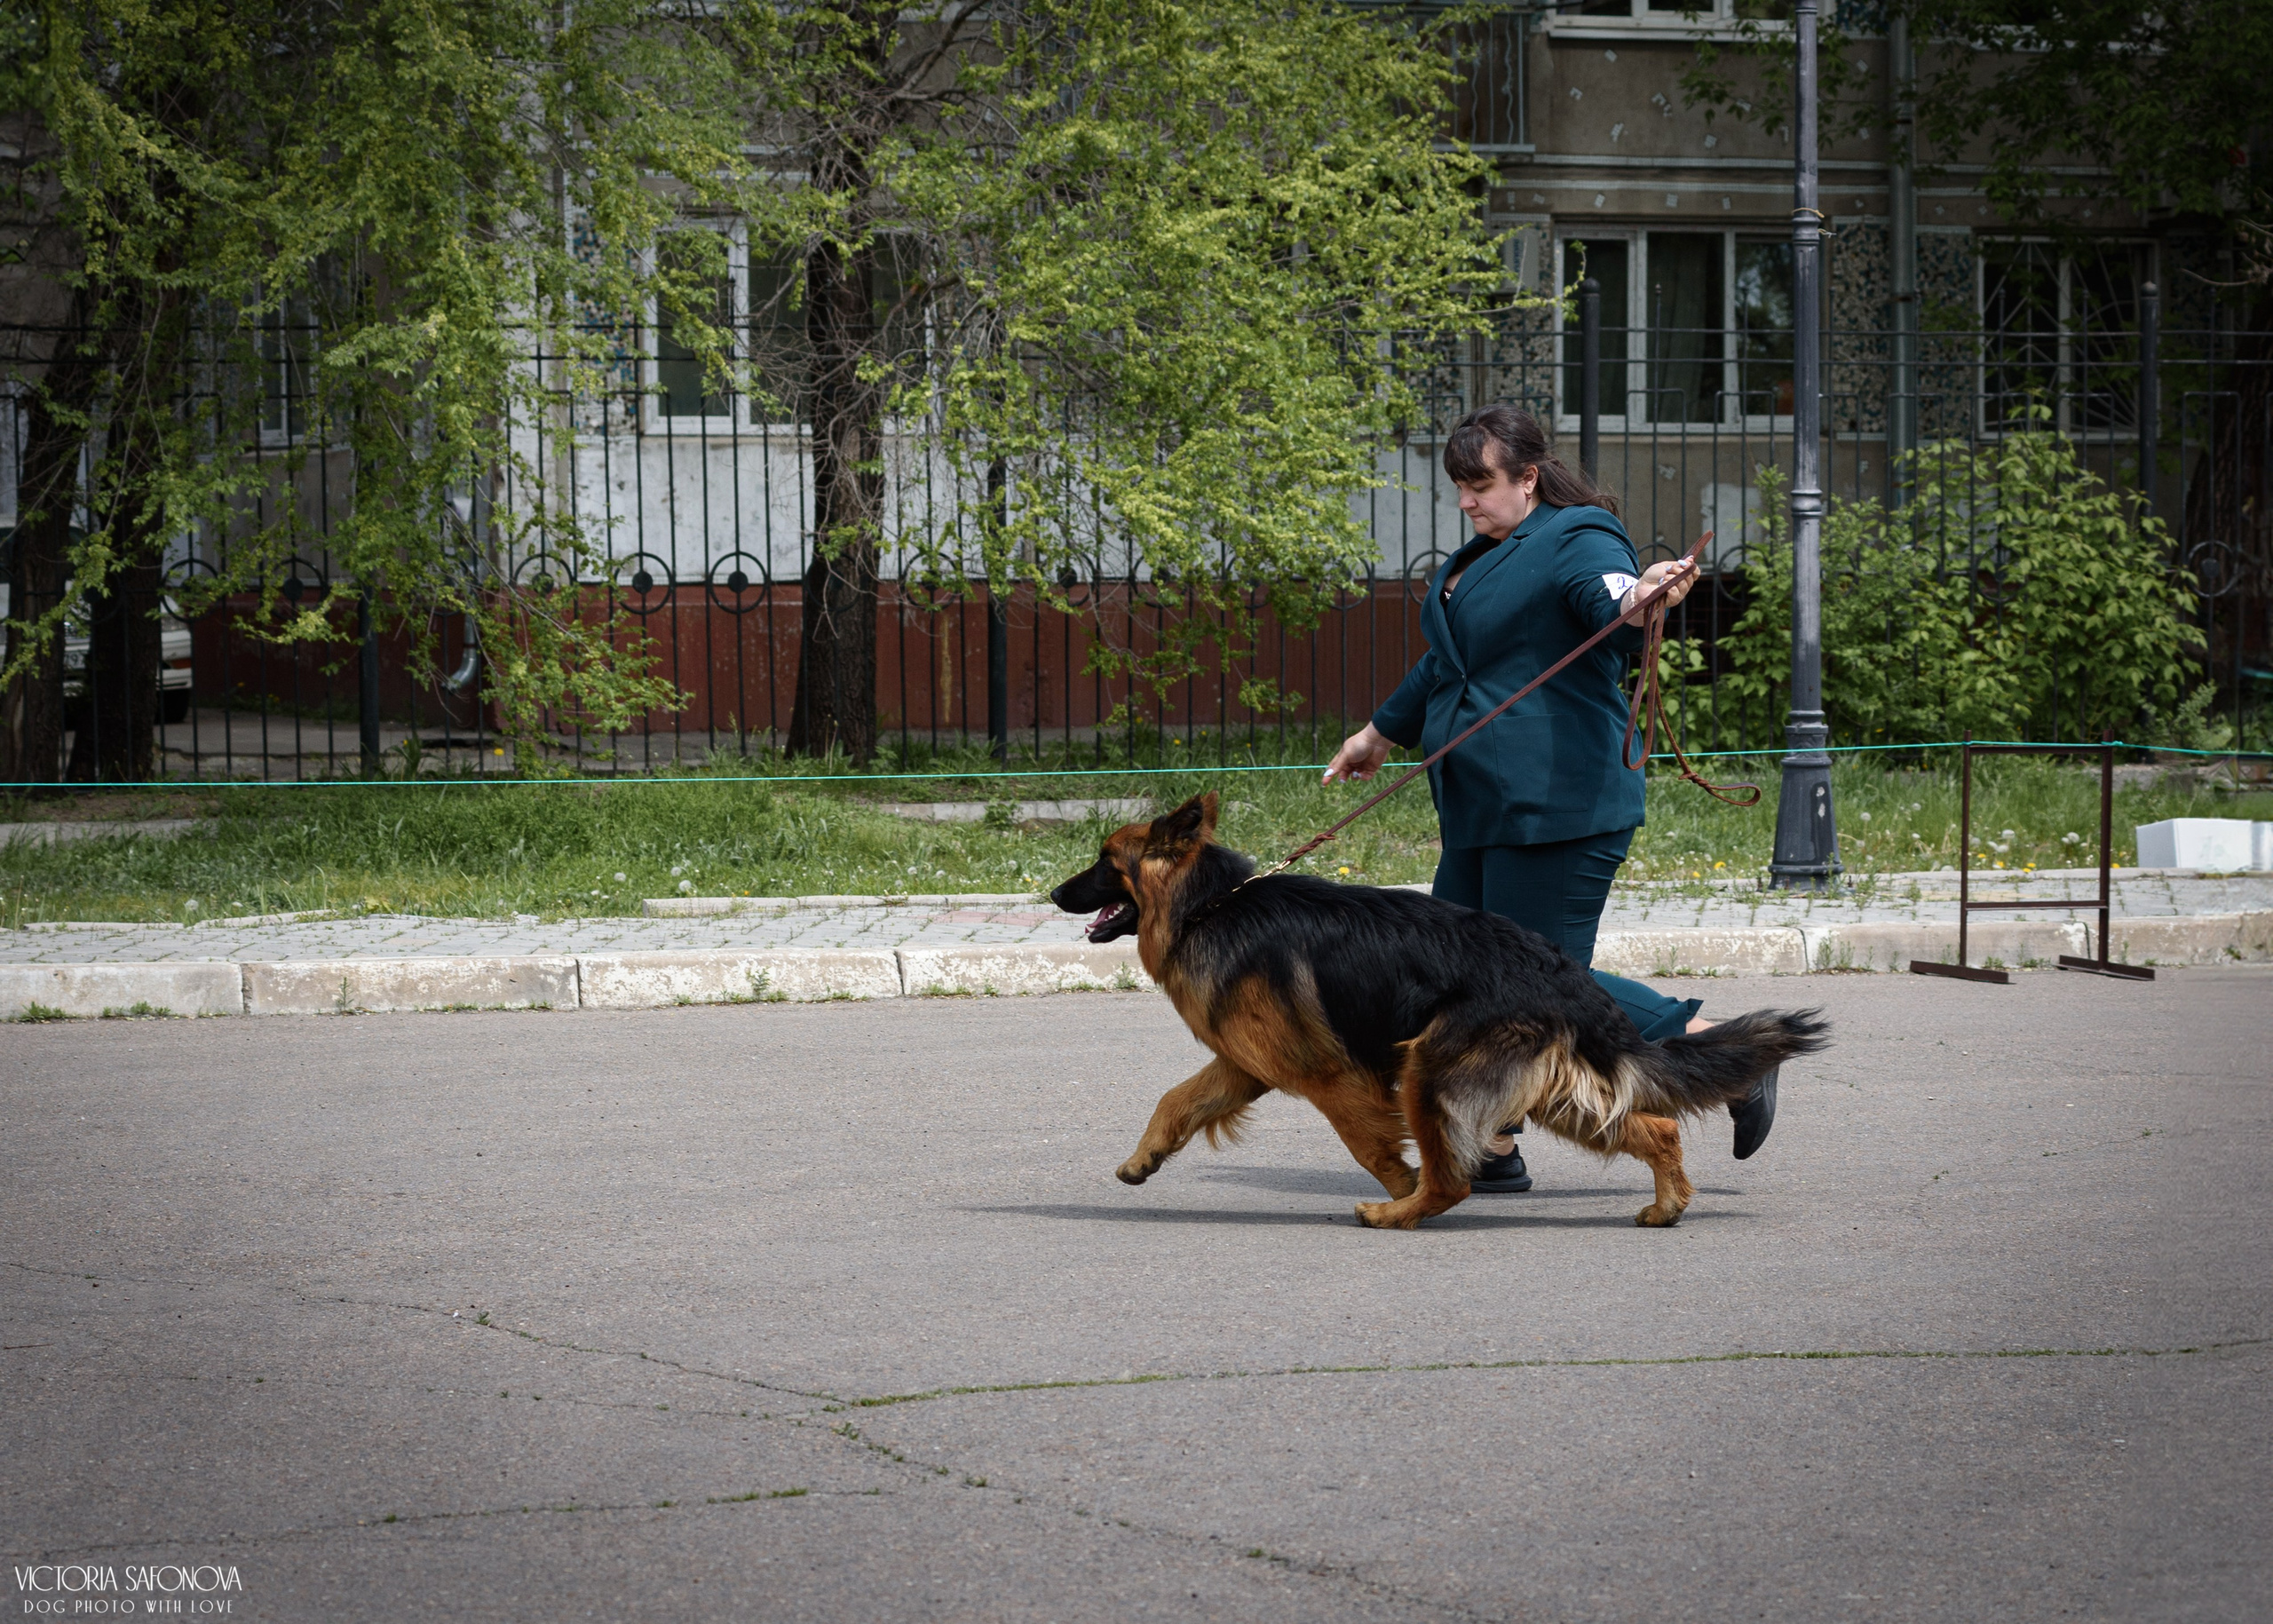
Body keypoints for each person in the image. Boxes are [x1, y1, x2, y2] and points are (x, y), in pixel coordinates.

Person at [1323, 403, 1774, 1192]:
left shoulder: (1578, 535)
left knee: (1539, 985)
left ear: (1528, 477)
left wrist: (1648, 592)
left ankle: (1730, 1055)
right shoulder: (1482, 554)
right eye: (1459, 486)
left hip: (1558, 807)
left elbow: (1614, 601)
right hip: (1479, 809)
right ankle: (1494, 1146)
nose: (1466, 500)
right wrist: (1378, 733)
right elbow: (1448, 663)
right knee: (1455, 980)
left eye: (1480, 484)